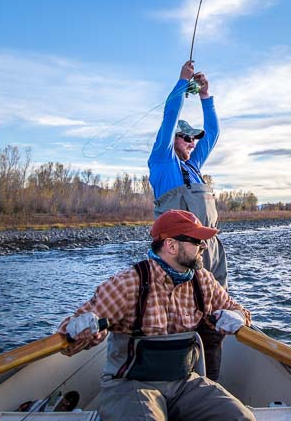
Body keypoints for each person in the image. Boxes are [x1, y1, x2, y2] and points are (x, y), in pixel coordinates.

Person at [59, 209, 254, 421]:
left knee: (241, 418)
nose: (204, 248)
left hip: (183, 382)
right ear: (171, 245)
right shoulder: (128, 283)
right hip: (129, 385)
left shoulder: (202, 280)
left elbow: (237, 310)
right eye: (197, 242)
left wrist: (238, 316)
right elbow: (69, 340)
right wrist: (81, 331)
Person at [148, 60, 226, 287]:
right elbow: (170, 116)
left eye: (194, 139)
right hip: (180, 249)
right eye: (187, 137)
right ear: (174, 138)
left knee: (219, 303)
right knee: (184, 303)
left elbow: (213, 132)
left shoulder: (194, 165)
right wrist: (183, 81)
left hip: (209, 246)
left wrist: (205, 95)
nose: (193, 144)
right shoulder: (163, 159)